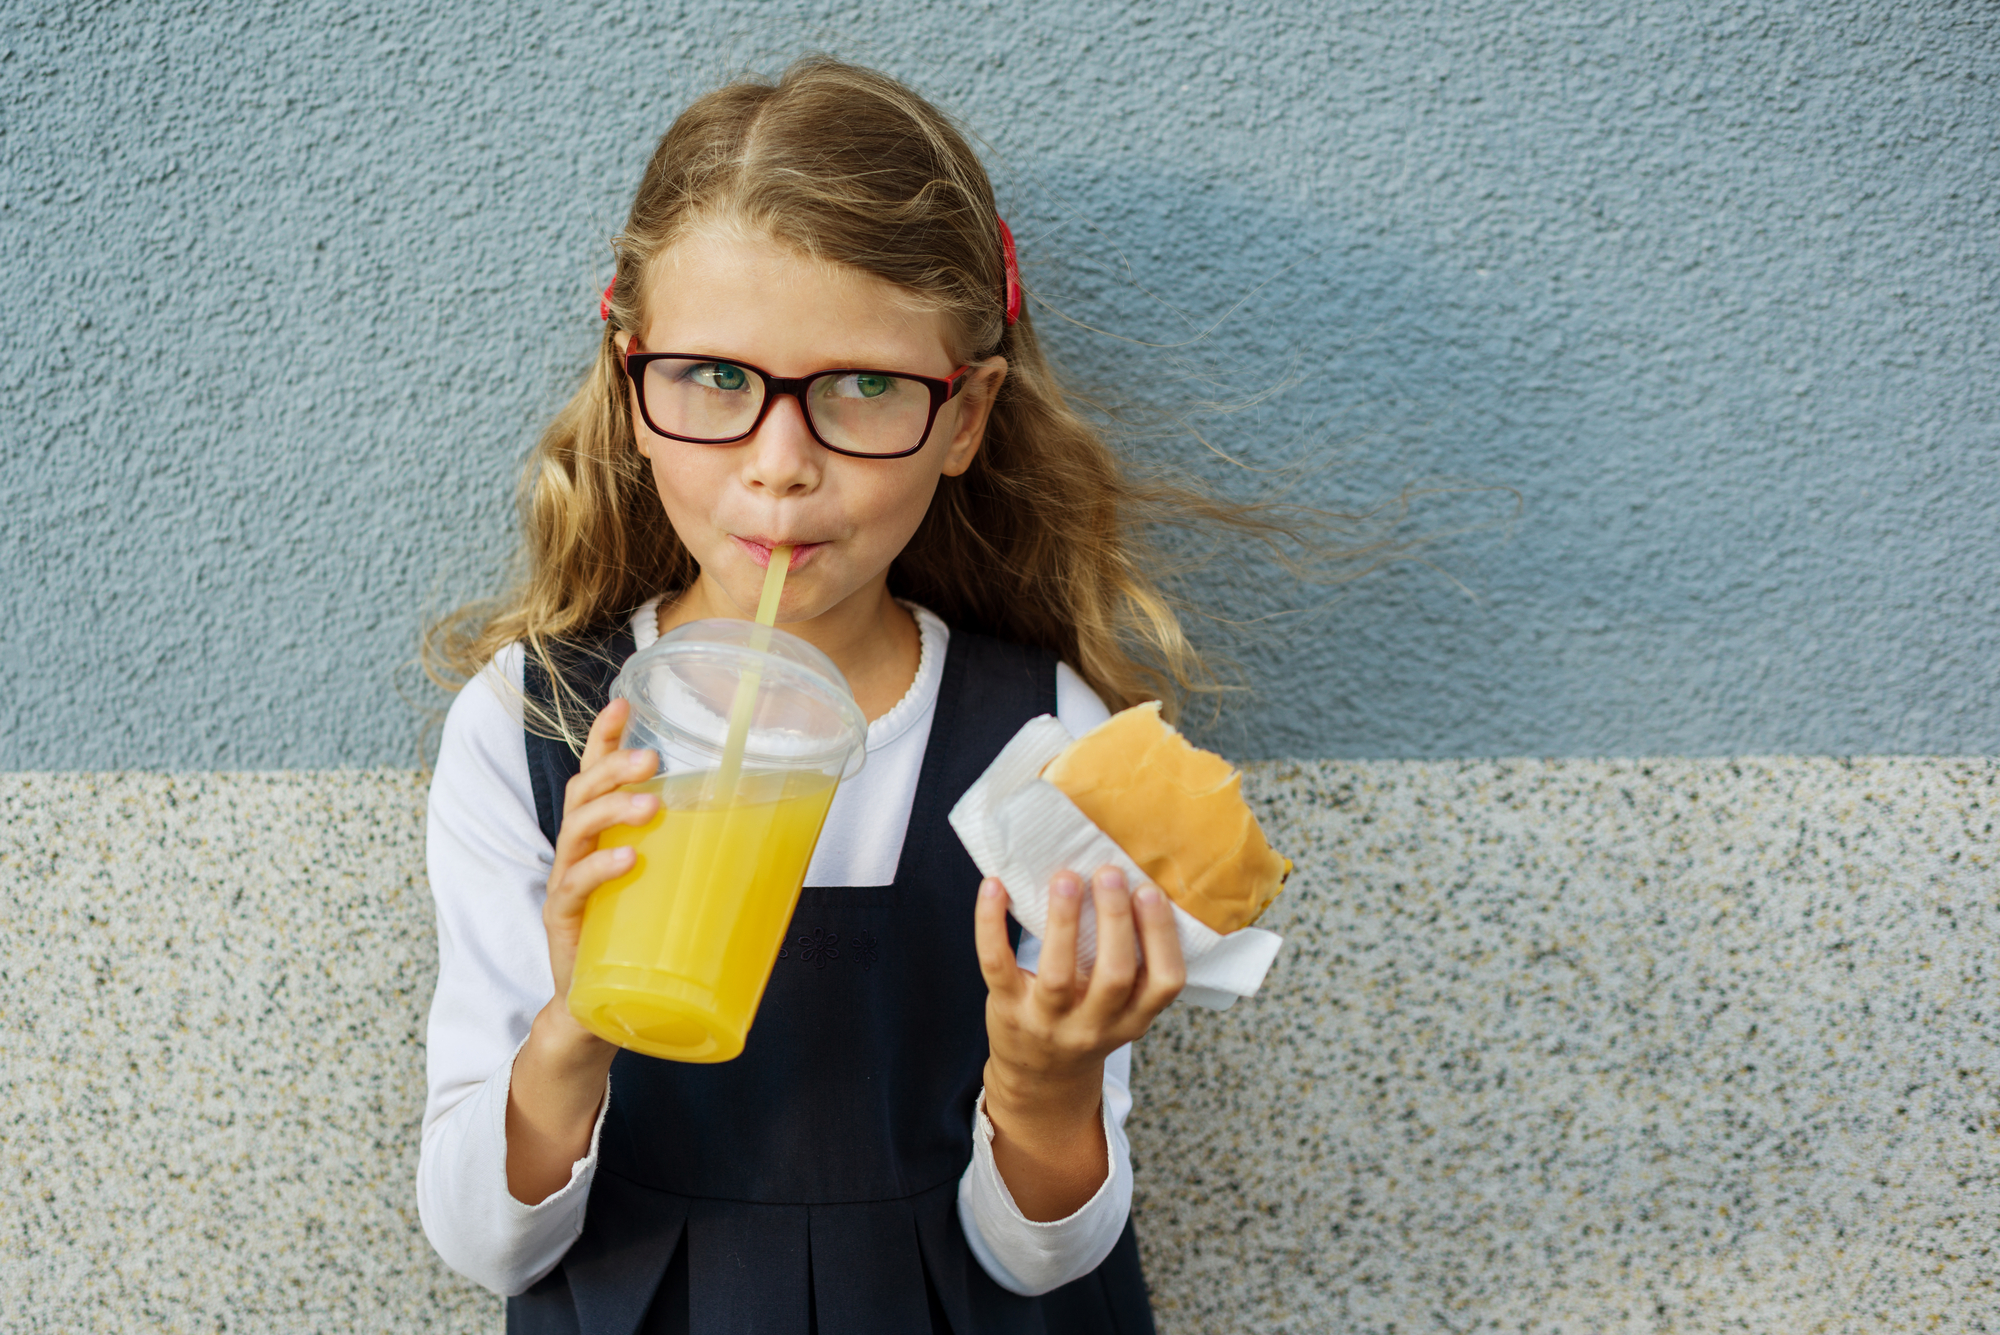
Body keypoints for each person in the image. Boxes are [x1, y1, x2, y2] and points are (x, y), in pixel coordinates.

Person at [420, 56, 1268, 1334]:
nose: (778, 469)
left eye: (864, 388)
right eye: (714, 380)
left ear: (965, 414)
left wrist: (1048, 1086)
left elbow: (1039, 1265)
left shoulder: (1041, 747)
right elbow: (485, 1246)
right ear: (630, 385)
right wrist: (576, 1025)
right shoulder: (529, 728)